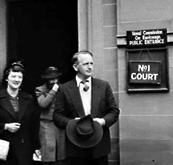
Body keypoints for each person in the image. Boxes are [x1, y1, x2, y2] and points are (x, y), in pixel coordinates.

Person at [53, 50, 120, 165]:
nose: (90, 67)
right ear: (75, 67)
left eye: (91, 63)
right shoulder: (64, 89)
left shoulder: (103, 86)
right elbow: (57, 116)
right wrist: (72, 123)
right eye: (85, 64)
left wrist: (102, 121)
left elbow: (114, 111)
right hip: (76, 147)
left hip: (100, 147)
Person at [0, 61, 41, 165]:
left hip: (24, 149)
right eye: (13, 76)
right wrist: (5, 126)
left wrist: (36, 147)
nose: (16, 80)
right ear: (6, 78)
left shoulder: (29, 99)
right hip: (3, 148)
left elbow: (34, 125)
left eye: (19, 77)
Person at [35, 66, 66, 165]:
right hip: (46, 124)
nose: (54, 81)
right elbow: (43, 104)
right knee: (47, 155)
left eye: (56, 78)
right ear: (46, 79)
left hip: (60, 125)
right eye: (51, 79)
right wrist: (53, 91)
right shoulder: (39, 89)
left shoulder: (63, 88)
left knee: (60, 156)